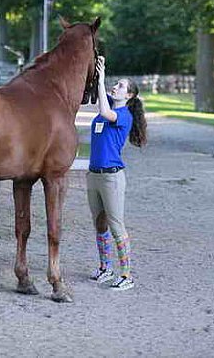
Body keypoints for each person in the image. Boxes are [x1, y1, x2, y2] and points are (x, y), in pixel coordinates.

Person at [87, 55, 147, 291]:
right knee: (99, 225)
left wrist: (101, 79)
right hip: (94, 175)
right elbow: (101, 108)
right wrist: (96, 73)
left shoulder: (123, 116)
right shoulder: (107, 111)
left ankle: (126, 275)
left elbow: (104, 111)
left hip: (112, 177)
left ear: (129, 95)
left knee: (115, 225)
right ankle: (105, 268)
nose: (116, 86)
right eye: (116, 83)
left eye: (121, 86)